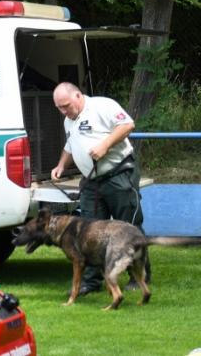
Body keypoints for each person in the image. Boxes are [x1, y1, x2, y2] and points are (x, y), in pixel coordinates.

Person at [51, 82, 149, 294]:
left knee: (129, 227)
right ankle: (91, 281)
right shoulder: (69, 120)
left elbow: (127, 125)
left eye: (66, 106)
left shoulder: (102, 106)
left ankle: (138, 277)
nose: (64, 111)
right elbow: (70, 145)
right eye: (59, 108)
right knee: (88, 232)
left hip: (119, 174)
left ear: (78, 96)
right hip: (92, 182)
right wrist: (61, 165)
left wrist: (105, 145)